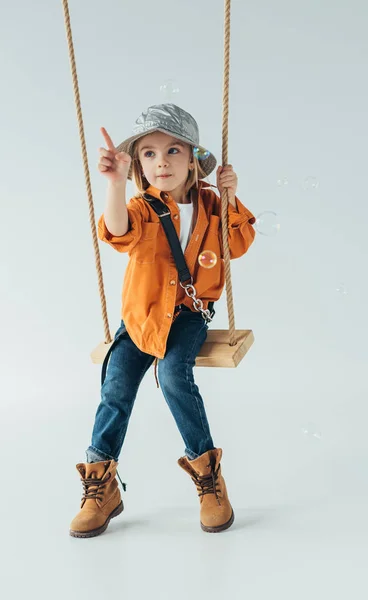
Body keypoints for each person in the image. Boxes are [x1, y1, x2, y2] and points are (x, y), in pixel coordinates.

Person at [69, 103, 256, 538]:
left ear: (193, 158)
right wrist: (115, 184)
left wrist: (231, 194)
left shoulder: (211, 202)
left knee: (173, 374)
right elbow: (117, 231)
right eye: (149, 154)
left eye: (173, 150)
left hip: (188, 315)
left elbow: (239, 242)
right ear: (138, 164)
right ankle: (102, 485)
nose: (162, 162)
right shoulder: (140, 207)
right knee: (115, 385)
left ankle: (208, 478)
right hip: (143, 314)